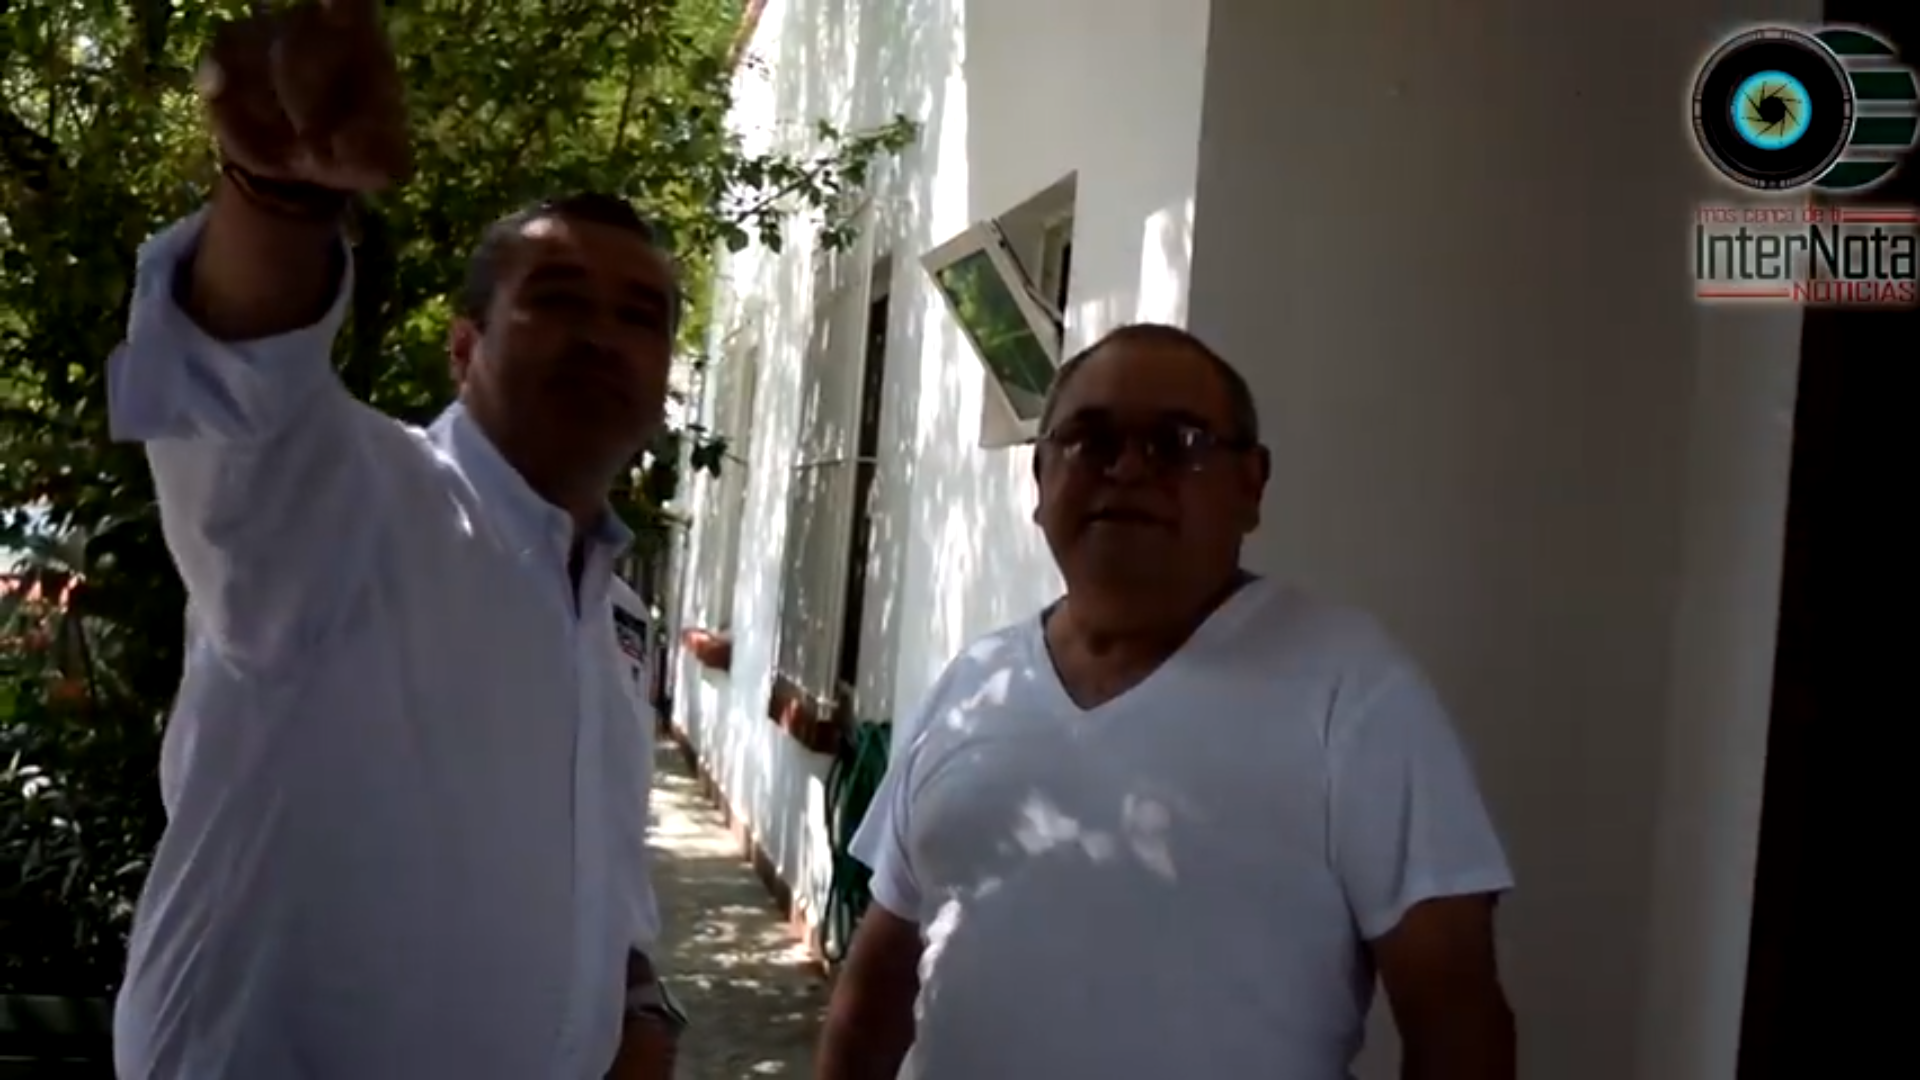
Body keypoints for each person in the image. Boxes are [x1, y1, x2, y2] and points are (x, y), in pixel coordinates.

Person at [106, 2, 682, 1076]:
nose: (603, 336)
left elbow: (596, 867)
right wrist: (279, 195)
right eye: (557, 298)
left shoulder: (614, 612)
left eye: (640, 316)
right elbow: (244, 379)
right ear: (463, 349)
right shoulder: (343, 500)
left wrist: (639, 1006)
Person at [816, 323, 1518, 1079]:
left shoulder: (1354, 693)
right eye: (1090, 440)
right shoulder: (971, 684)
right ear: (1040, 478)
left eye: (1178, 442)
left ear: (1251, 485)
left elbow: (1458, 1021)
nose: (1127, 468)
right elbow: (880, 986)